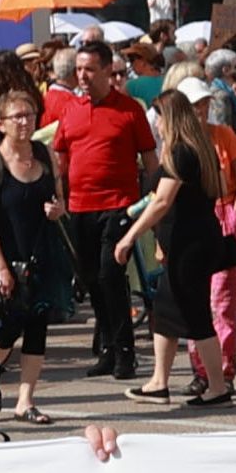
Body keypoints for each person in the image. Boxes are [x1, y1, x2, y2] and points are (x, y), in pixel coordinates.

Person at [113, 86, 236, 405]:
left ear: (169, 118)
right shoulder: (197, 148)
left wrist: (130, 237)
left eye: (158, 117)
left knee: (194, 315)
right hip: (188, 244)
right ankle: (159, 382)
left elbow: (162, 202)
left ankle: (216, 386)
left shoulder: (182, 152)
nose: (155, 123)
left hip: (190, 246)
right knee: (168, 312)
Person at [42, 44, 154, 384]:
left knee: (110, 275)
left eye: (89, 69)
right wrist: (59, 200)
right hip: (80, 208)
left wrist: (147, 203)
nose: (82, 76)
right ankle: (107, 348)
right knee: (91, 279)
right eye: (78, 69)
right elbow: (61, 161)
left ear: (108, 70)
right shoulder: (72, 110)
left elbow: (151, 162)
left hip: (118, 205)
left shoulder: (130, 110)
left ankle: (125, 352)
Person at [0, 78, 73, 425]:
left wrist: (59, 210)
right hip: (8, 259)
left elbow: (60, 198)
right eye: (17, 117)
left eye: (29, 115)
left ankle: (25, 401)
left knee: (38, 327)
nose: (25, 122)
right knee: (10, 327)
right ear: (1, 124)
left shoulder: (44, 154)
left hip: (44, 254)